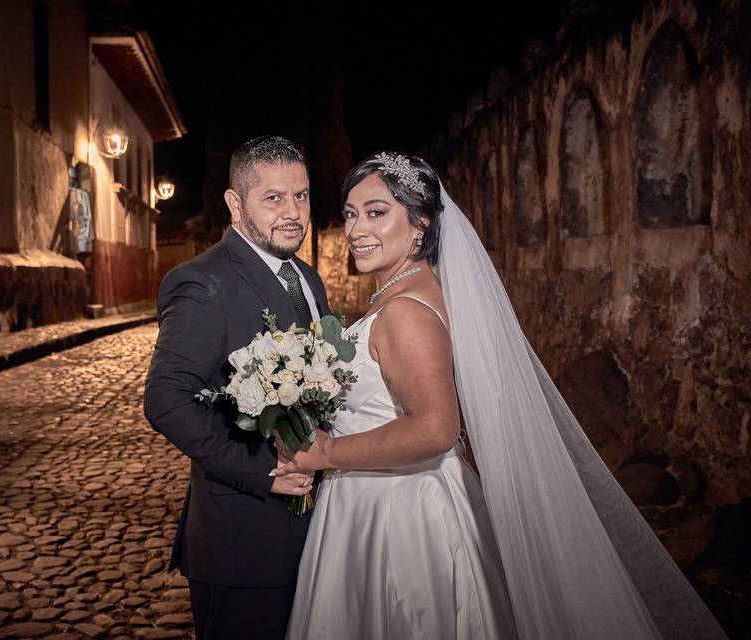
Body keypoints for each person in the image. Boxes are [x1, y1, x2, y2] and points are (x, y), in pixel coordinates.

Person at [276, 151, 729, 640]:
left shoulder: (405, 311)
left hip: (398, 514)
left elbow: (435, 427)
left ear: (421, 224)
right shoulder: (408, 291)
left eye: (377, 212)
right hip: (388, 495)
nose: (357, 228)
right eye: (350, 213)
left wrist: (326, 452)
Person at [143, 135, 331, 640]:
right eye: (273, 198)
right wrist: (262, 472)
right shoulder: (203, 282)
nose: (292, 212)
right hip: (241, 540)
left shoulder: (310, 281)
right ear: (235, 203)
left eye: (302, 195)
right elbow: (165, 400)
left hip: (315, 537)